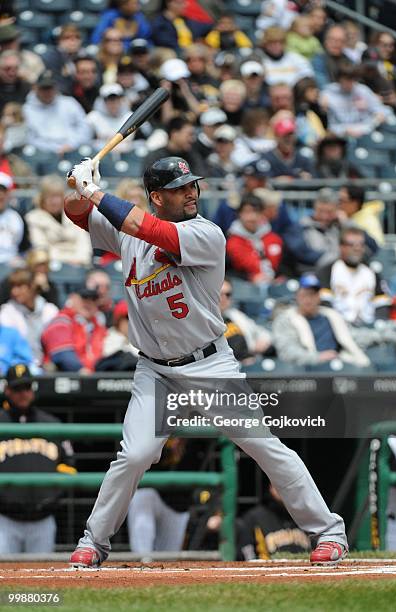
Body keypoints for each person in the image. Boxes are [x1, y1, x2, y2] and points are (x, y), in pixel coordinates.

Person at [64, 155, 348, 567]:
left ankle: (328, 531)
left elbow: (149, 228)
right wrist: (76, 185)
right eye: (179, 188)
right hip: (155, 370)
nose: (191, 192)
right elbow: (78, 216)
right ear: (157, 196)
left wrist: (94, 191)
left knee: (263, 446)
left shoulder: (205, 233)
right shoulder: (127, 232)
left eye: (192, 184)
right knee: (136, 454)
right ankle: (95, 541)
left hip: (209, 365)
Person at [0, 364, 76, 553]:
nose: (23, 393)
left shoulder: (51, 424)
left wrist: (52, 497)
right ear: (7, 390)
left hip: (43, 518)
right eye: (17, 389)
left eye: (26, 387)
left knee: (42, 577)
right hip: (5, 518)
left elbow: (70, 465)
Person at [272, 273, 370, 368]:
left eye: (313, 294)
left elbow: (353, 337)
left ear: (319, 297)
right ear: (297, 297)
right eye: (304, 295)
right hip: (306, 372)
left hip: (337, 366)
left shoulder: (332, 316)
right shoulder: (286, 319)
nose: (308, 299)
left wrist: (382, 335)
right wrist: (317, 357)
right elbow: (287, 352)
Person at [318, 227, 391, 327]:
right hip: (338, 326)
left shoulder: (372, 272)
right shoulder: (328, 270)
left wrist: (378, 323)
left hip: (368, 327)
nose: (357, 249)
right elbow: (325, 303)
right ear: (341, 247)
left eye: (361, 245)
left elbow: (382, 303)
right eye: (351, 245)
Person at [25, 175, 92, 267]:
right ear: (42, 198)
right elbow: (41, 247)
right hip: (52, 264)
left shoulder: (75, 214)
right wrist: (69, 260)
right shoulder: (33, 218)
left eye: (58, 197)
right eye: (50, 197)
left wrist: (81, 259)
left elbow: (84, 243)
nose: (55, 201)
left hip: (80, 263)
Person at [0, 268, 58, 369]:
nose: (14, 291)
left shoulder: (50, 310)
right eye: (12, 287)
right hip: (18, 369)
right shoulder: (7, 312)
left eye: (19, 286)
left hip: (47, 366)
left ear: (32, 286)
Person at [23, 70, 91, 155]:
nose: (47, 92)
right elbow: (29, 138)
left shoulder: (69, 102)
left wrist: (71, 145)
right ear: (35, 88)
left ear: (56, 88)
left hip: (73, 147)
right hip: (43, 152)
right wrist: (54, 149)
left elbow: (85, 127)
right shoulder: (27, 110)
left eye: (50, 88)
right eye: (44, 88)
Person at [41, 288, 107, 373]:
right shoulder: (62, 321)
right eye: (85, 298)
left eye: (94, 299)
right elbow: (63, 355)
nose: (89, 302)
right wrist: (83, 371)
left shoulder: (99, 326)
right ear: (73, 298)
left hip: (96, 377)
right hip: (68, 377)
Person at [238, 483, 311, 560]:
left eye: (288, 486)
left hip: (305, 568)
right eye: (279, 485)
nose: (284, 490)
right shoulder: (255, 516)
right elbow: (246, 552)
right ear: (271, 487)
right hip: (269, 568)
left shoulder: (307, 514)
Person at [321, 64, 391, 138]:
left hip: (368, 131)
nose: (351, 83)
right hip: (345, 135)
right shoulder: (329, 94)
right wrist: (344, 130)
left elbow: (383, 110)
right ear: (339, 79)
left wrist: (377, 114)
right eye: (347, 79)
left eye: (353, 79)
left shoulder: (362, 90)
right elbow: (331, 126)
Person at [226, 195, 283, 285]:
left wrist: (279, 278)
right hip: (243, 286)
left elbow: (284, 266)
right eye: (247, 212)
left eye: (256, 212)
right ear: (239, 214)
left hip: (273, 285)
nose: (252, 217)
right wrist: (251, 278)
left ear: (262, 214)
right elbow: (229, 271)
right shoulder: (231, 242)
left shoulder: (274, 238)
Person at [283, 188, 340, 274]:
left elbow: (364, 244)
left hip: (338, 274)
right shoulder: (299, 227)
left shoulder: (340, 226)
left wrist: (348, 223)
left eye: (329, 212)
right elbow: (302, 253)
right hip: (308, 274)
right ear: (314, 207)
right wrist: (335, 259)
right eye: (321, 211)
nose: (324, 217)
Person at [0, 171, 30, 266]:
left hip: (11, 264)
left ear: (8, 194)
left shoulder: (17, 217)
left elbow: (24, 247)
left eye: (3, 191)